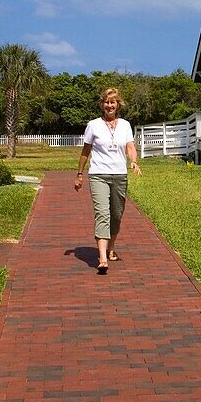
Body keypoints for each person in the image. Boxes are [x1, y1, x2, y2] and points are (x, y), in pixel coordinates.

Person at [74, 87, 142, 274]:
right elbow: (86, 151)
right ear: (101, 104)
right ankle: (102, 258)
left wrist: (133, 161)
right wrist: (79, 174)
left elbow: (130, 146)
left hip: (119, 175)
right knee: (102, 213)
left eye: (112, 102)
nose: (109, 105)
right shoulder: (93, 125)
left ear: (118, 104)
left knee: (116, 215)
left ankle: (111, 247)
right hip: (98, 174)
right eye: (106, 102)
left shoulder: (125, 125)